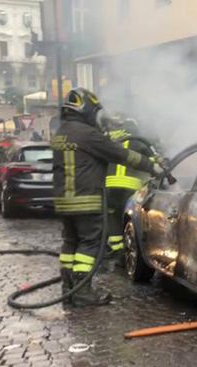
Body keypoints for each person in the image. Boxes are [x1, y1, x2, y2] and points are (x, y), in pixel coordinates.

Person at [51, 88, 161, 307]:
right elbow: (121, 154)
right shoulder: (88, 135)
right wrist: (152, 166)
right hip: (86, 200)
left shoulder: (62, 133)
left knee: (70, 244)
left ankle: (68, 288)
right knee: (89, 245)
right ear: (87, 110)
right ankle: (82, 292)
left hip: (64, 201)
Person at [104, 115, 157, 257]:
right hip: (130, 187)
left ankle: (116, 248)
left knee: (112, 216)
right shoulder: (139, 143)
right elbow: (152, 163)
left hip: (109, 187)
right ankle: (129, 247)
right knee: (128, 216)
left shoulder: (111, 140)